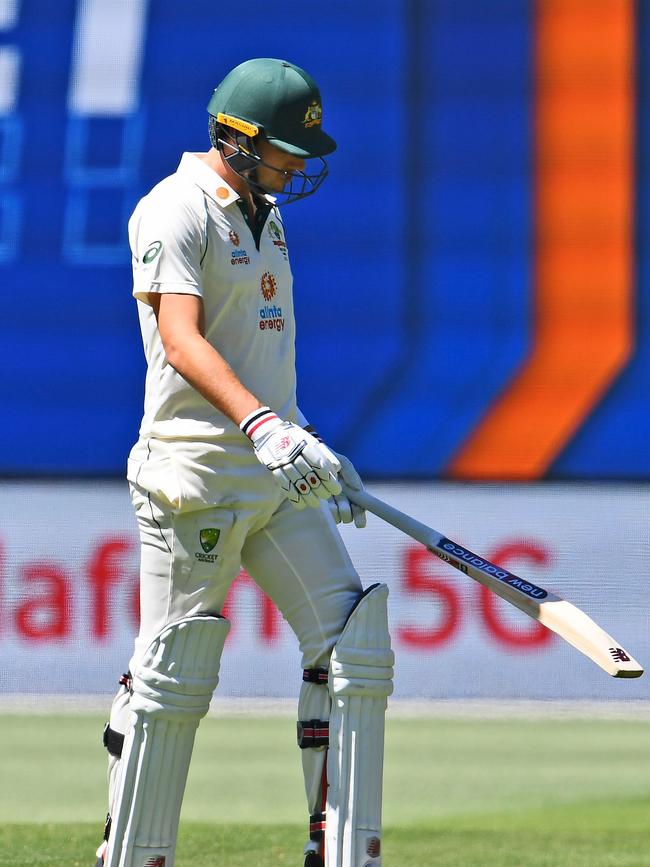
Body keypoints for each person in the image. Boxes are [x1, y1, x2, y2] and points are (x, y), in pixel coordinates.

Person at [95, 58, 394, 867]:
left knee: (350, 647)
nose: (298, 165)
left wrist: (308, 439)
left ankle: (339, 851)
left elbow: (257, 353)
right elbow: (184, 339)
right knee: (174, 670)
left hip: (274, 469)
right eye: (286, 149)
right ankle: (132, 855)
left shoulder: (266, 212)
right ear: (235, 138)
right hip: (194, 476)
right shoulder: (175, 207)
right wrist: (263, 423)